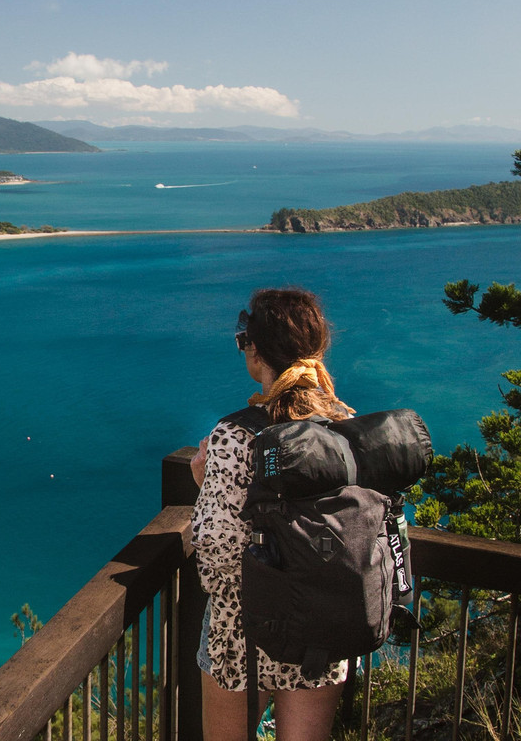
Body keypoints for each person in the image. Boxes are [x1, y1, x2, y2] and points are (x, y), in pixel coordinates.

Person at [190, 288, 355, 741]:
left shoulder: (234, 436)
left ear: (255, 350)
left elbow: (215, 555)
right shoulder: (343, 426)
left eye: (244, 338)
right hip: (320, 625)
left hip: (243, 629)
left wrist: (206, 487)